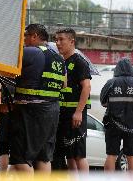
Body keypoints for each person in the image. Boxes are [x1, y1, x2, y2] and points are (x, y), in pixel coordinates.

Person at [9, 24, 66, 173]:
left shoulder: (32, 52)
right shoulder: (58, 58)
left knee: (21, 159)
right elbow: (64, 84)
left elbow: (3, 57)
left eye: (26, 36)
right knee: (44, 157)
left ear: (34, 36)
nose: (24, 39)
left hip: (30, 112)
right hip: (52, 111)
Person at [100, 58, 133, 172]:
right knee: (132, 158)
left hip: (112, 125)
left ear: (116, 69)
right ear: (131, 69)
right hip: (132, 126)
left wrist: (114, 104)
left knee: (111, 156)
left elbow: (103, 102)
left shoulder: (111, 83)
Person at [54, 28, 91, 172]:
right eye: (56, 39)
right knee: (69, 155)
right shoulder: (61, 62)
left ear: (72, 41)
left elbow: (86, 87)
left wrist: (78, 112)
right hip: (62, 114)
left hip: (75, 115)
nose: (58, 43)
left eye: (61, 39)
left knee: (78, 155)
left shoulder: (79, 62)